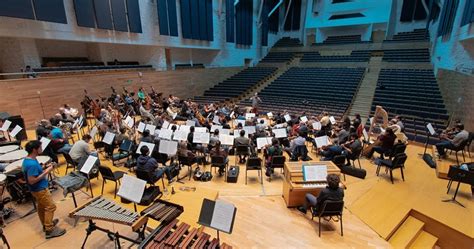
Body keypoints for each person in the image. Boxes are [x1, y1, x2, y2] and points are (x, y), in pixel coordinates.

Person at [22, 140, 66, 239]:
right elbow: (32, 180)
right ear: (34, 150)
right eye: (40, 148)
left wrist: (45, 167)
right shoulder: (31, 164)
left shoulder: (29, 160)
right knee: (51, 207)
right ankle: (49, 230)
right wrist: (47, 171)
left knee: (42, 207)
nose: (42, 149)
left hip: (36, 190)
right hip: (39, 189)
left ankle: (46, 224)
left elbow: (35, 172)